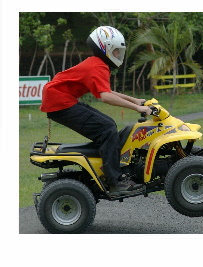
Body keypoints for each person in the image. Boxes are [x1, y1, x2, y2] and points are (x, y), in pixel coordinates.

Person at [40, 26, 151, 195]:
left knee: (108, 126)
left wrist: (135, 100)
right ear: (105, 48)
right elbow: (105, 97)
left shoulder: (97, 64)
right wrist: (137, 107)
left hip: (63, 100)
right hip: (60, 102)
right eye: (116, 51)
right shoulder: (97, 67)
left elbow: (107, 91)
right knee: (106, 129)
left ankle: (105, 166)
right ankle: (114, 181)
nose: (118, 55)